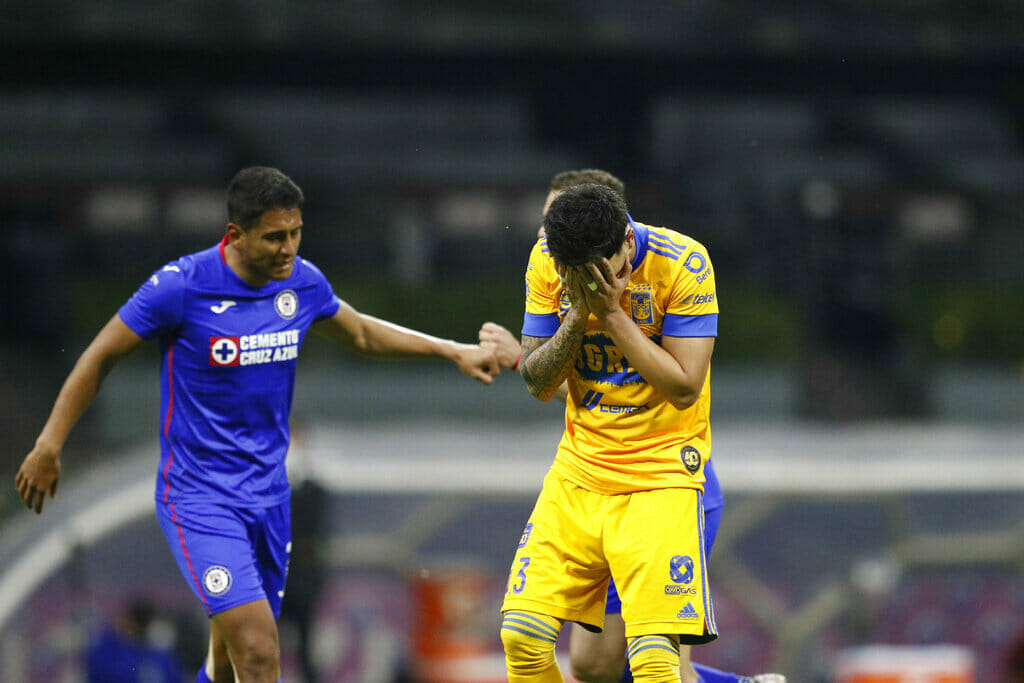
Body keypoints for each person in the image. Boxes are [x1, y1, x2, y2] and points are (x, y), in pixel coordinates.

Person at [14, 166, 499, 683]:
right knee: (261, 651)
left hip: (269, 499)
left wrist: (452, 351)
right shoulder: (182, 288)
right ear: (235, 236)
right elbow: (99, 357)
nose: (288, 248)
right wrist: (49, 444)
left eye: (295, 233)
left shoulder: (302, 284)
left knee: (227, 663)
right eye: (274, 237)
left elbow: (360, 333)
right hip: (200, 499)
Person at [483, 170, 783, 683]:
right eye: (575, 273)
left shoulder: (684, 262)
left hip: (662, 479)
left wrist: (612, 314)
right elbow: (537, 380)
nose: (587, 283)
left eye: (597, 272)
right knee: (536, 643)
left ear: (626, 240)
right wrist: (578, 314)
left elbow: (686, 387)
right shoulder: (551, 264)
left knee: (652, 661)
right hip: (579, 478)